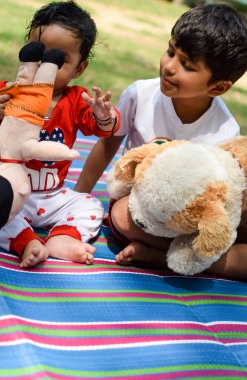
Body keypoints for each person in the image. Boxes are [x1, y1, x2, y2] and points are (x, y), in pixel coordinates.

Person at [76, 4, 247, 280]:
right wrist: (79, 195)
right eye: (170, 51)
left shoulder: (225, 130)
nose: (169, 66)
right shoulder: (139, 94)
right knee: (120, 216)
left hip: (188, 222)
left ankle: (163, 257)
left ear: (217, 87)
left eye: (187, 65)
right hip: (140, 207)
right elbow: (107, 145)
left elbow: (218, 197)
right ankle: (185, 260)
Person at [0, 1, 120, 268]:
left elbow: (104, 127)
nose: (43, 65)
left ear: (79, 68)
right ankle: (25, 241)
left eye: (58, 60)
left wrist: (103, 115)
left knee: (90, 205)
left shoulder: (76, 100)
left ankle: (62, 237)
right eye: (38, 54)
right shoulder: (5, 93)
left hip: (52, 196)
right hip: (10, 194)